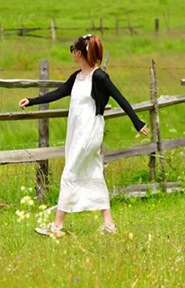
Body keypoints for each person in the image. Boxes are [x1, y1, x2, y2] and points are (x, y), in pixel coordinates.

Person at [19, 34, 149, 237]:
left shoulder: (99, 77)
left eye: (73, 49)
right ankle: (109, 224)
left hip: (89, 131)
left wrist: (137, 122)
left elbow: (120, 98)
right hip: (76, 130)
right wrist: (32, 100)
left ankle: (57, 226)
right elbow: (58, 93)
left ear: (80, 53)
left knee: (69, 171)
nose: (72, 53)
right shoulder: (77, 77)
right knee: (94, 171)